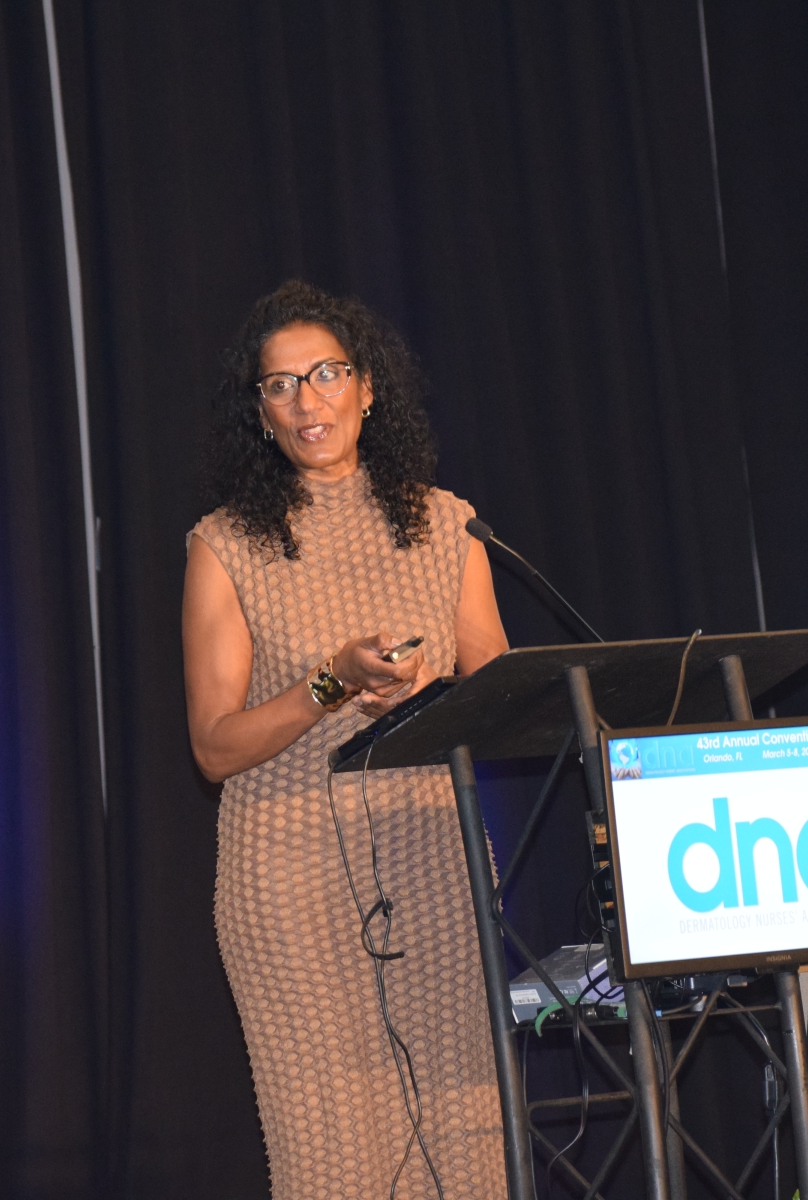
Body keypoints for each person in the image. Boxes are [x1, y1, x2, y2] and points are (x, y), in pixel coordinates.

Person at [182, 280, 511, 1199]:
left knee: (468, 1151)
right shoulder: (226, 546)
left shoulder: (450, 524)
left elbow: (499, 693)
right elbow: (214, 746)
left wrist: (431, 691)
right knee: (333, 1160)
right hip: (290, 887)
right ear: (261, 414)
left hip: (437, 865)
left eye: (325, 374)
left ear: (368, 387)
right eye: (280, 385)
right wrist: (333, 682)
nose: (306, 400)